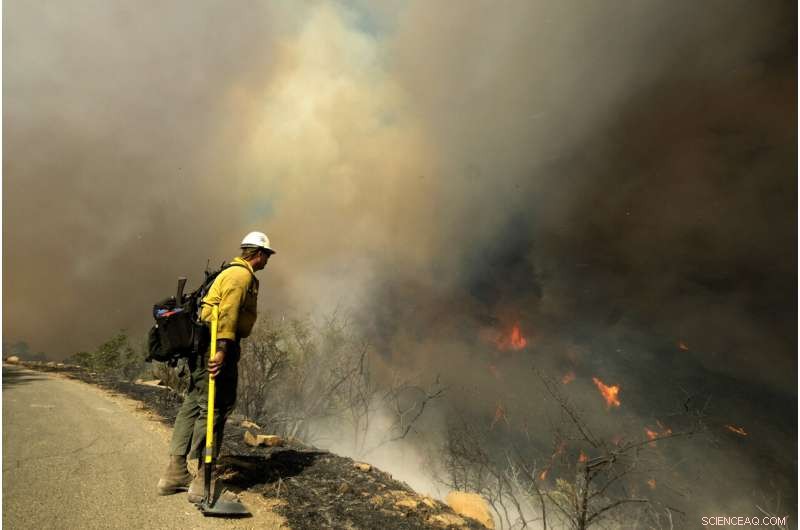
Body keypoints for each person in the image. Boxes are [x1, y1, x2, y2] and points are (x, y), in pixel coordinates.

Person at [156, 231, 275, 502]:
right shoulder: (240, 276)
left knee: (193, 404)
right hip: (216, 346)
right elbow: (227, 314)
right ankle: (203, 481)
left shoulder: (230, 272)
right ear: (258, 254)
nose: (268, 260)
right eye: (267, 255)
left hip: (203, 347)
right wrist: (221, 350)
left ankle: (175, 473)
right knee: (215, 408)